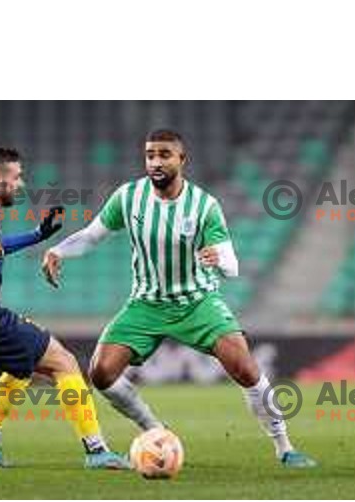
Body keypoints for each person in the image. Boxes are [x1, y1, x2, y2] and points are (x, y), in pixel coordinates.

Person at [42, 129, 316, 468]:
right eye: (150, 155)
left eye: (164, 154)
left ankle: (285, 446)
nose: (156, 161)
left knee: (246, 369)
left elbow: (232, 266)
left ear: (182, 160)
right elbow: (92, 236)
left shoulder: (204, 206)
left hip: (197, 302)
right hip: (146, 302)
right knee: (100, 374)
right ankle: (156, 431)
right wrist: (58, 250)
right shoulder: (128, 197)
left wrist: (219, 259)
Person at [0, 146, 129, 469]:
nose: (21, 183)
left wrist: (37, 235)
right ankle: (97, 451)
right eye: (16, 177)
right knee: (65, 362)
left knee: (19, 370)